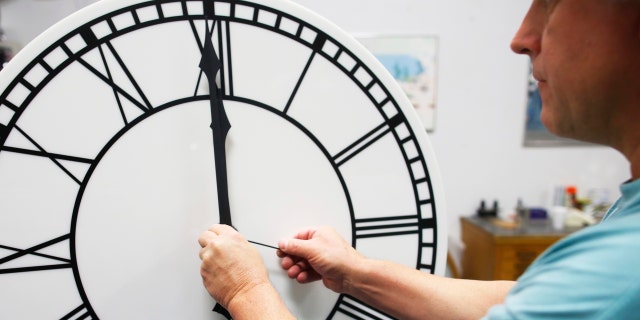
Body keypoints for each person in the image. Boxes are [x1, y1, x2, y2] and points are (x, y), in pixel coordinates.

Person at [198, 0, 640, 318]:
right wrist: (355, 273)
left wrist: (246, 290)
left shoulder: (622, 266)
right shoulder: (624, 230)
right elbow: (527, 302)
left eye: (550, 3)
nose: (521, 38)